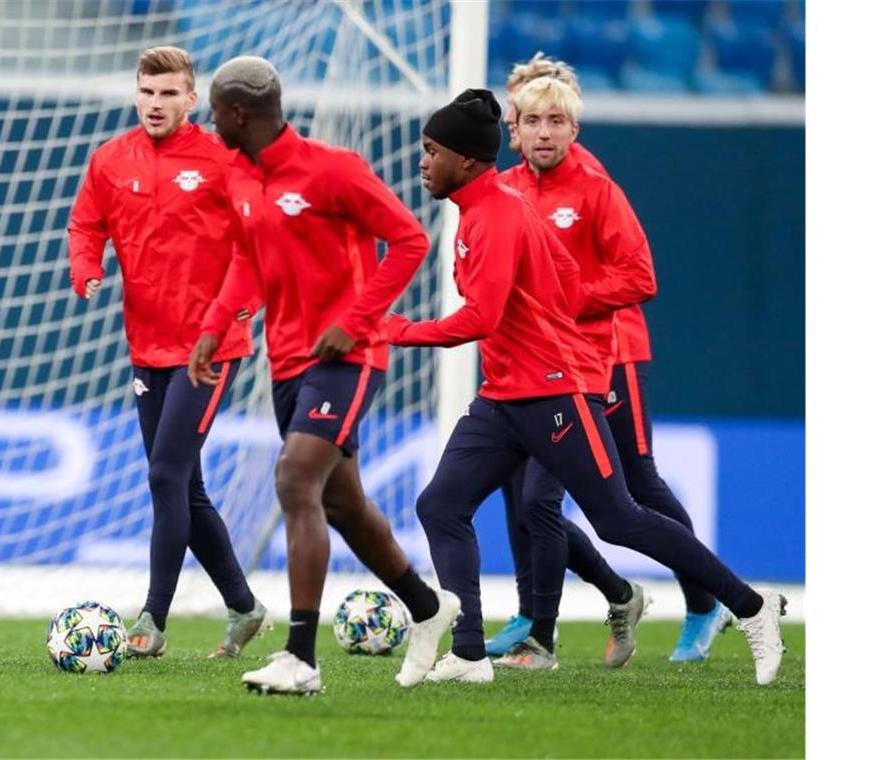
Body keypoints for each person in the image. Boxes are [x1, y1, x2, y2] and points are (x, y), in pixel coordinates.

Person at [384, 87, 786, 686]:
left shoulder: (498, 213)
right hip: (504, 395)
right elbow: (566, 274)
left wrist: (397, 331)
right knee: (441, 504)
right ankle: (469, 653)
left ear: (465, 160)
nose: (421, 162)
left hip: (553, 394)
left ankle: (750, 609)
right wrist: (549, 308)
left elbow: (481, 319)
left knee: (619, 517)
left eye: (431, 150)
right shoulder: (496, 205)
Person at [188, 55, 460, 695]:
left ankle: (301, 658)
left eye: (214, 110)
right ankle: (426, 607)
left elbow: (410, 240)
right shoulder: (241, 179)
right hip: (287, 361)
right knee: (342, 502)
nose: (210, 121)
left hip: (347, 358)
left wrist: (360, 317)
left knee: (293, 478)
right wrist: (215, 321)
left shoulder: (332, 170)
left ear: (236, 113)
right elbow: (247, 262)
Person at [485, 55, 732, 667]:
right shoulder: (507, 186)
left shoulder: (589, 181)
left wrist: (565, 299)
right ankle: (542, 613)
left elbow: (636, 275)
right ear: (511, 123)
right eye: (524, 115)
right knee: (529, 494)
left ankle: (703, 601)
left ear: (570, 122)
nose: (537, 129)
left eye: (551, 116)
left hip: (608, 357)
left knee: (633, 484)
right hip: (536, 360)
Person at [67, 46, 266, 660]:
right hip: (146, 345)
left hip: (209, 348)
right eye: (148, 93)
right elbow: (85, 224)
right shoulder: (111, 159)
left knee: (164, 474)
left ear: (191, 97)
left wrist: (230, 315)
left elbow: (256, 246)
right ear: (137, 94)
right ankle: (244, 605)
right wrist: (85, 268)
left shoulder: (222, 159)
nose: (157, 104)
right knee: (185, 487)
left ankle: (152, 619)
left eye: (169, 94)